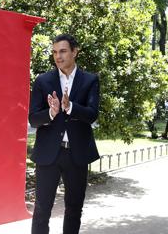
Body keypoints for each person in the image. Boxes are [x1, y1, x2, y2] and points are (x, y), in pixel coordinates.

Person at [29, 34, 100, 234]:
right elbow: (33, 118)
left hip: (76, 155)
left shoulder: (90, 80)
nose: (58, 56)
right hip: (49, 154)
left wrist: (70, 108)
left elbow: (92, 114)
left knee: (74, 209)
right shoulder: (43, 81)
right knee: (42, 208)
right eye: (54, 52)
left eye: (63, 51)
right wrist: (51, 112)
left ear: (74, 51)